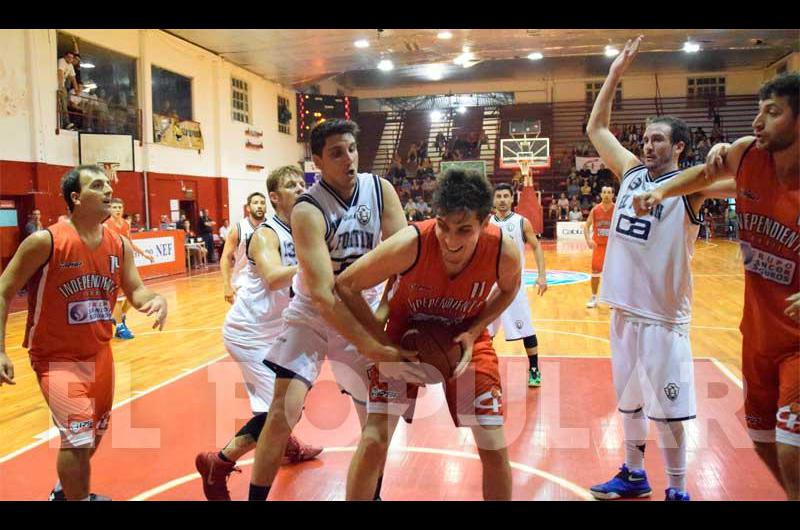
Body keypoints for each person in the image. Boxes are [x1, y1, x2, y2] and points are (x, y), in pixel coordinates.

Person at [632, 72, 799, 500]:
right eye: (759, 111)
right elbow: (703, 178)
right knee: (762, 441)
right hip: (758, 333)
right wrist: (661, 192)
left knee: (792, 448)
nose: (757, 122)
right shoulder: (746, 155)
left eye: (772, 112)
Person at [584, 36, 734, 502]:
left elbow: (743, 181)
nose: (647, 145)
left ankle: (677, 487)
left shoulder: (690, 188)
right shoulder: (629, 173)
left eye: (658, 139)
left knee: (669, 410)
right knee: (628, 403)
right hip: (623, 312)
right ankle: (633, 473)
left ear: (680, 147)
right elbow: (596, 129)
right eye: (646, 138)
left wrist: (728, 153)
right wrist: (613, 74)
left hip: (663, 319)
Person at [247, 119, 424, 501]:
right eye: (336, 153)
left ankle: (370, 496)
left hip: (364, 307)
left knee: (376, 427)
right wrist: (372, 345)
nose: (348, 159)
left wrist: (385, 318)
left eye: (352, 149)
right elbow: (326, 295)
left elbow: (404, 261)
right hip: (313, 313)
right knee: (281, 414)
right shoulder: (307, 209)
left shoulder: (381, 190)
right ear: (317, 162)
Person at [336, 168, 522, 500]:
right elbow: (345, 285)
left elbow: (510, 289)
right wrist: (381, 343)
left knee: (493, 446)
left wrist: (476, 328)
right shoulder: (412, 242)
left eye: (464, 229)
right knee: (375, 440)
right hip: (403, 337)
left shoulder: (502, 251)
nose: (451, 240)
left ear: (486, 222)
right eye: (443, 226)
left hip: (464, 339)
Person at [0, 164, 168, 500]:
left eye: (108, 184)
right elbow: (4, 290)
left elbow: (135, 290)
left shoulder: (118, 244)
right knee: (77, 437)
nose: (109, 190)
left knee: (91, 436)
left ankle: (66, 492)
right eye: (97, 185)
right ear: (76, 198)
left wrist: (155, 299)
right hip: (56, 357)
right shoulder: (45, 241)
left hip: (100, 353)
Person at [195, 166, 322, 501]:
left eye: (301, 182)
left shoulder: (303, 227)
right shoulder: (266, 234)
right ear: (275, 198)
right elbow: (274, 277)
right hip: (249, 334)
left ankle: (287, 447)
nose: (300, 187)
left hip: (276, 332)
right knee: (282, 410)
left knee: (284, 403)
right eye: (291, 185)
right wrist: (317, 264)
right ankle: (218, 463)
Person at [488, 183, 548, 387]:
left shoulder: (522, 222)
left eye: (506, 196)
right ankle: (485, 370)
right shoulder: (486, 223)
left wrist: (542, 275)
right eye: (499, 196)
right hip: (490, 287)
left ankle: (534, 369)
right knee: (484, 333)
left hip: (514, 286)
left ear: (512, 199)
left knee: (526, 329)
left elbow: (537, 247)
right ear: (494, 200)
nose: (503, 200)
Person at [104, 198, 155, 340]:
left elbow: (130, 243)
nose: (117, 209)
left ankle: (120, 317)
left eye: (120, 207)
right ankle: (120, 327)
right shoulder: (105, 225)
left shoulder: (126, 224)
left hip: (127, 263)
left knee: (136, 294)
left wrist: (144, 253)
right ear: (109, 209)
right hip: (112, 264)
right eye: (114, 207)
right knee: (117, 298)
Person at [220, 194, 267, 304]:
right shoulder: (238, 228)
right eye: (255, 203)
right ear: (248, 208)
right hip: (243, 282)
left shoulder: (272, 226)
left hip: (267, 281)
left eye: (262, 203)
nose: (259, 206)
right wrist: (227, 285)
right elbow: (226, 257)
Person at [583, 185, 615, 308]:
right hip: (599, 246)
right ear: (601, 195)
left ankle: (612, 299)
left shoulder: (617, 209)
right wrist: (588, 240)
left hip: (612, 247)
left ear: (612, 195)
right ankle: (594, 297)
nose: (606, 195)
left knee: (614, 273)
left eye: (609, 192)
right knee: (595, 273)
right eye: (604, 192)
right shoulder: (595, 210)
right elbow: (586, 226)